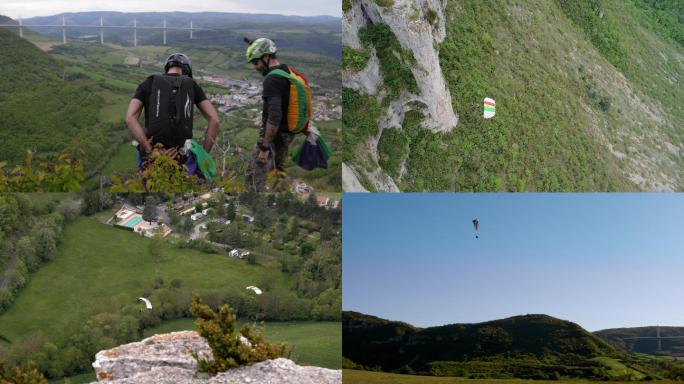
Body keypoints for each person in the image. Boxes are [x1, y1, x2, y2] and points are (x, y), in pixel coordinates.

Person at [125, 53, 219, 170]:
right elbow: (214, 120)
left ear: (167, 68)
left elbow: (130, 118)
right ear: (186, 71)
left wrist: (150, 149)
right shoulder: (191, 86)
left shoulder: (149, 83)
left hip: (152, 158)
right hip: (180, 156)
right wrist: (203, 156)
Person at [245, 38, 297, 191]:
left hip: (274, 138)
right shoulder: (286, 71)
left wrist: (265, 146)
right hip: (286, 135)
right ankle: (281, 194)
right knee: (277, 171)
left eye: (256, 62)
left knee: (254, 179)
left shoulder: (272, 79)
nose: (255, 67)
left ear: (266, 57)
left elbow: (274, 116)